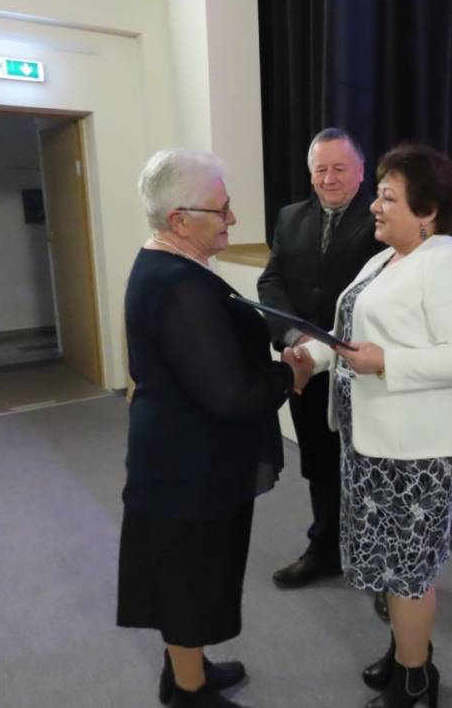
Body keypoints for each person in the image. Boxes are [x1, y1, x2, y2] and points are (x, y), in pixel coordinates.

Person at [287, 143, 452, 707]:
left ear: (427, 210)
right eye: (378, 194)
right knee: (389, 563)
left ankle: (414, 681)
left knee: (407, 571)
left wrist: (389, 363)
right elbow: (352, 337)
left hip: (419, 452)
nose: (374, 206)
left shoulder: (450, 263)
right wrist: (314, 355)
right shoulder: (387, 259)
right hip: (373, 443)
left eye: (387, 197)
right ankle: (411, 653)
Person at [117, 148, 310, 708]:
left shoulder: (174, 267)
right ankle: (190, 693)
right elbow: (228, 394)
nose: (233, 219)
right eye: (221, 209)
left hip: (185, 455)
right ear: (180, 220)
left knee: (188, 575)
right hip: (187, 465)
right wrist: (290, 375)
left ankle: (185, 669)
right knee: (189, 579)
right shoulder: (177, 284)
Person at [257, 128, 382, 590]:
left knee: (372, 469)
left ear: (361, 172)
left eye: (339, 169)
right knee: (320, 464)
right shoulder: (290, 217)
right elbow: (271, 283)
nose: (329, 178)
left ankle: (381, 569)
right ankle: (324, 550)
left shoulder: (382, 219)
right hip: (305, 366)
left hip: (364, 368)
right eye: (320, 169)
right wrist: (297, 338)